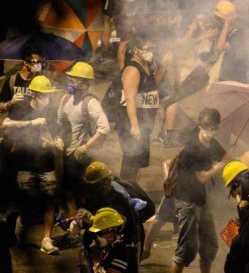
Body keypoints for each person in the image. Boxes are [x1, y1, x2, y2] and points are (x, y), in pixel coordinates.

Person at [1, 75, 60, 254]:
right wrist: (31, 123)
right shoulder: (22, 107)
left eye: (48, 95)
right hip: (25, 162)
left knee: (49, 201)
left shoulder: (52, 110)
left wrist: (54, 142)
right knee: (21, 201)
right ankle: (10, 233)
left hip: (46, 164)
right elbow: (5, 124)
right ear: (34, 94)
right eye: (43, 95)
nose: (46, 99)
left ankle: (46, 239)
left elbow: (56, 133)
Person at [171, 108, 230, 273]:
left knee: (210, 245)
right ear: (199, 124)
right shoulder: (193, 148)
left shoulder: (212, 143)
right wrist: (216, 168)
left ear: (217, 126)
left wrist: (218, 165)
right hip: (187, 202)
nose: (209, 130)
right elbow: (202, 178)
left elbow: (227, 157)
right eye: (206, 125)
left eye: (212, 126)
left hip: (201, 200)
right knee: (186, 249)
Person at [58, 62, 111, 218]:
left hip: (79, 155)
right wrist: (57, 137)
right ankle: (73, 221)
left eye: (75, 79)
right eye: (71, 78)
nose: (71, 82)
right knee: (67, 190)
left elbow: (104, 127)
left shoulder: (91, 102)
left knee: (80, 190)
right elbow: (60, 121)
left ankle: (81, 222)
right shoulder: (65, 99)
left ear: (86, 83)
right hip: (65, 153)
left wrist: (85, 147)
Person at [117, 35, 165, 181]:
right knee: (131, 160)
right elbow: (130, 98)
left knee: (138, 162)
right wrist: (134, 125)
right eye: (147, 48)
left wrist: (163, 68)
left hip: (144, 122)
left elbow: (152, 84)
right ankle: (126, 190)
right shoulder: (132, 69)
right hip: (132, 121)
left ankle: (134, 189)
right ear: (136, 50)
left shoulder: (146, 65)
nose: (151, 51)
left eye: (152, 48)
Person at [83, 207, 139, 273]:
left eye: (99, 233)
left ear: (111, 230)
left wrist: (96, 262)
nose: (97, 236)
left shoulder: (123, 250)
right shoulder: (113, 245)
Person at [0, 45, 42, 112]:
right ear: (25, 62)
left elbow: (45, 108)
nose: (38, 65)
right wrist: (11, 102)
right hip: (14, 121)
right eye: (35, 62)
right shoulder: (11, 81)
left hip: (36, 121)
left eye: (40, 62)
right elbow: (1, 107)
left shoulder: (40, 81)